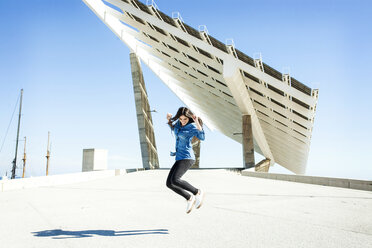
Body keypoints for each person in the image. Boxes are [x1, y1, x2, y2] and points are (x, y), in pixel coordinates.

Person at [166, 107, 205, 214]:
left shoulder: (192, 127)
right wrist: (169, 120)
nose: (183, 121)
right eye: (181, 119)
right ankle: (189, 198)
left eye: (185, 119)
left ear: (189, 119)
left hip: (187, 157)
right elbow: (174, 129)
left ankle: (197, 192)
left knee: (175, 180)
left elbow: (202, 137)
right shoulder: (178, 125)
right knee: (169, 184)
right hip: (179, 157)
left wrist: (197, 122)